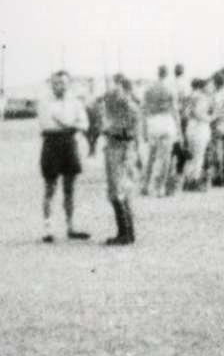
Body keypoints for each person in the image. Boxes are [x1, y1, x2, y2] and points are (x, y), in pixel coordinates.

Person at [37, 69, 91, 241]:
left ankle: (71, 227)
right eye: (56, 83)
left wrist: (69, 125)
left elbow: (84, 124)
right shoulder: (44, 102)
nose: (60, 86)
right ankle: (48, 230)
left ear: (69, 84)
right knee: (50, 187)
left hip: (69, 144)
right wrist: (71, 124)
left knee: (70, 188)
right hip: (51, 143)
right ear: (51, 84)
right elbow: (46, 124)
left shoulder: (75, 102)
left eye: (63, 83)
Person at [97, 74, 142, 245]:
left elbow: (131, 133)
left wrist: (110, 130)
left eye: (116, 87)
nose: (113, 91)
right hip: (117, 148)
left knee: (117, 191)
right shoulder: (119, 105)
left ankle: (125, 233)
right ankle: (126, 232)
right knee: (118, 191)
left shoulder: (129, 107)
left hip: (120, 149)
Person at [141, 65, 180, 195]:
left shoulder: (149, 89)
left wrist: (144, 129)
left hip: (152, 122)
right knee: (166, 157)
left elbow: (144, 110)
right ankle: (160, 187)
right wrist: (179, 130)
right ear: (167, 74)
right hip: (166, 121)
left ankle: (145, 185)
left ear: (157, 73)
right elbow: (175, 111)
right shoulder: (170, 89)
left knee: (151, 156)